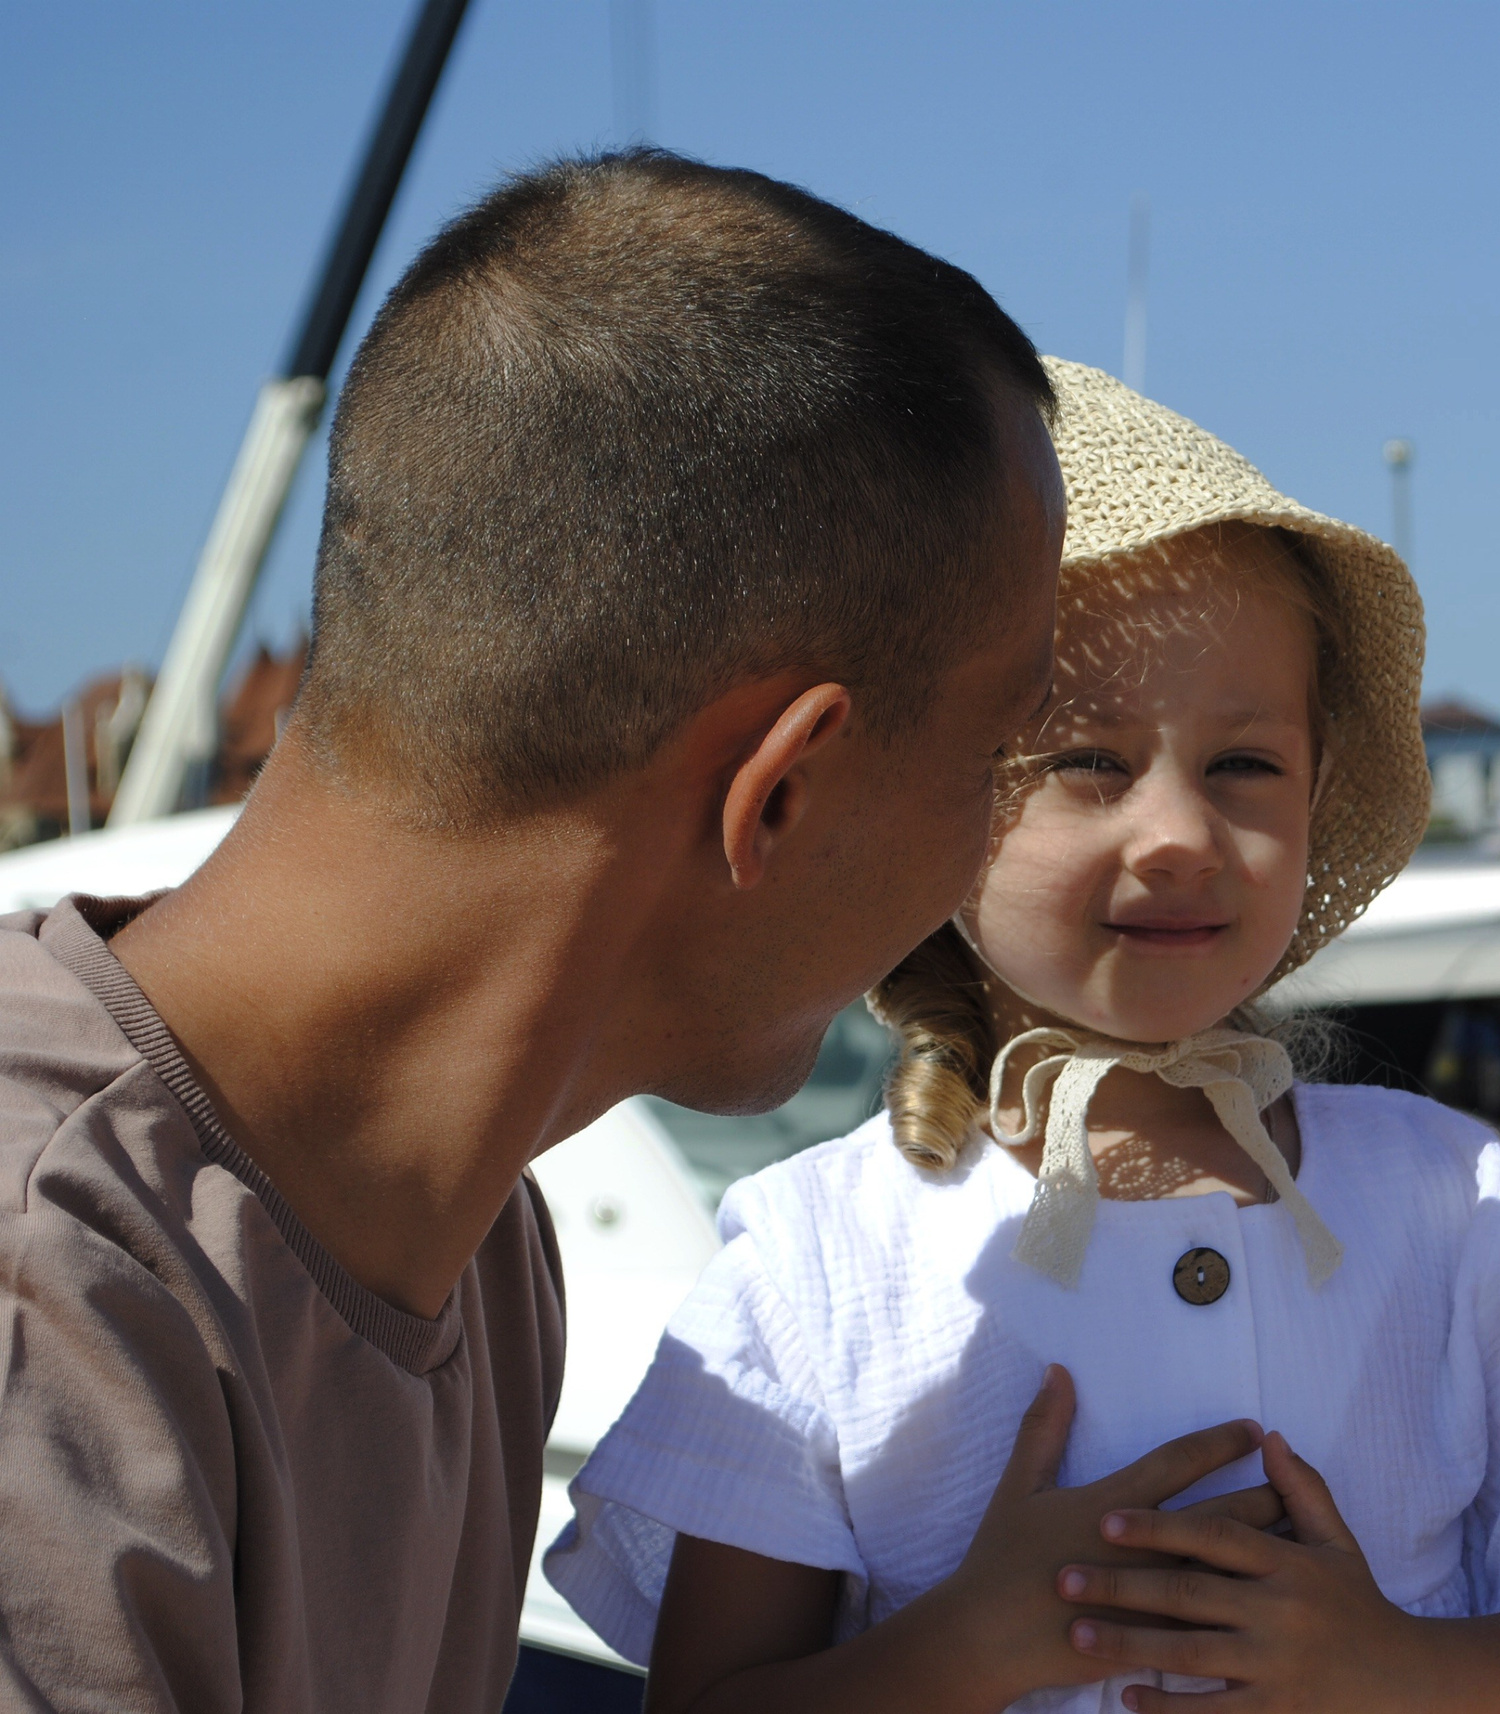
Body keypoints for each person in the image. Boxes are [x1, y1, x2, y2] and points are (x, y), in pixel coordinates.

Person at [0, 150, 1072, 1713]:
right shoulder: (47, 1316)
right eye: (1006, 759)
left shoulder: (481, 1248)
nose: (1004, 844)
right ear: (780, 793)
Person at [543, 360, 1500, 1714]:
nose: (1175, 831)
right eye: (1086, 762)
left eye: (1243, 765)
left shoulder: (1461, 1204)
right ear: (933, 800)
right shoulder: (819, 1256)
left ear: (1317, 791)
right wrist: (974, 1645)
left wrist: (1388, 1671)